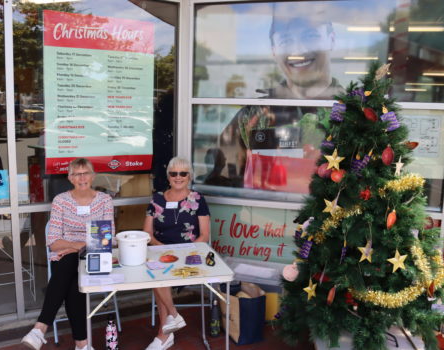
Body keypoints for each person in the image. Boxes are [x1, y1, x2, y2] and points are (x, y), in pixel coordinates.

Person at [219, 3, 344, 191]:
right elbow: (223, 181)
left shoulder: (358, 114)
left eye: (310, 37)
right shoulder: (253, 117)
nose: (298, 50)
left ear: (331, 39)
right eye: (285, 41)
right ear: (274, 49)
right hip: (267, 219)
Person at [21, 158, 114, 350]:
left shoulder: (105, 200)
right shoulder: (61, 201)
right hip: (64, 257)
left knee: (71, 267)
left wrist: (72, 246)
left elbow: (105, 239)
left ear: (93, 175)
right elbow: (54, 242)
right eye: (77, 174)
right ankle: (82, 345)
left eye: (86, 173)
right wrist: (82, 245)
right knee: (72, 272)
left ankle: (40, 328)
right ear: (70, 178)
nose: (82, 178)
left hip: (94, 257)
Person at [143, 156, 210, 350]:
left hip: (190, 254)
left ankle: (164, 334)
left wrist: (182, 252)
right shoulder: (156, 199)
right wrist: (163, 249)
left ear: (189, 176)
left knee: (159, 277)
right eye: (174, 173)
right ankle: (172, 317)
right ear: (168, 176)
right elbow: (147, 233)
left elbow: (204, 235)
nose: (178, 177)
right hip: (160, 251)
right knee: (156, 271)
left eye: (183, 173)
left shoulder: (197, 200)